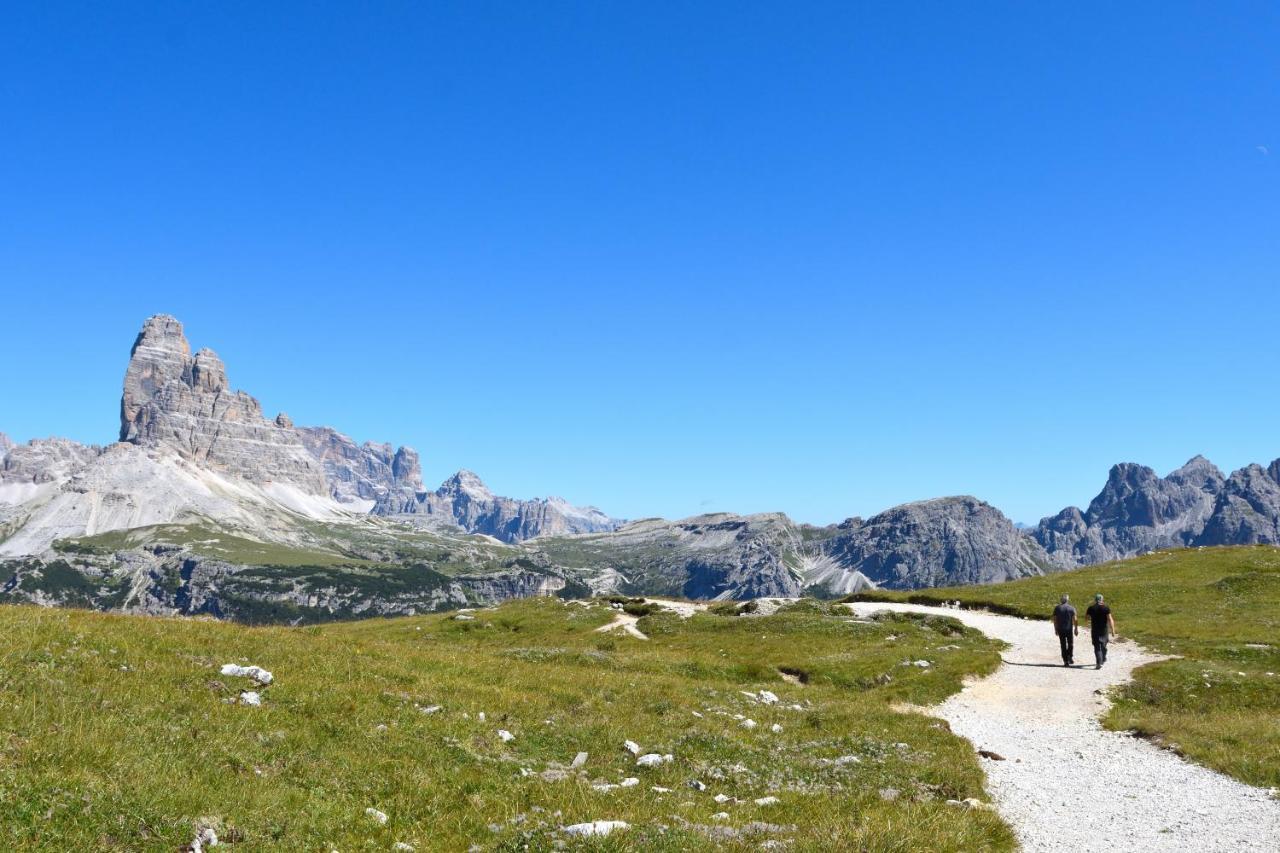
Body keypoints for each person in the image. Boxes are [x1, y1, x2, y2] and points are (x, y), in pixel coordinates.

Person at [1085, 593, 1116, 669]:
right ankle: (1102, 659)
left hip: (1095, 629)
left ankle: (1099, 662)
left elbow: (1086, 618)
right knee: (1103, 645)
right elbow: (1110, 619)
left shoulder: (1091, 608)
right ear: (1102, 599)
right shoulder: (1106, 608)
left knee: (1097, 646)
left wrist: (1088, 622)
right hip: (1104, 630)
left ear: (1095, 600)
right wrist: (1113, 630)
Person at [1052, 594, 1078, 666]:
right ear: (1067, 600)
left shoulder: (1057, 608)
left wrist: (1055, 629)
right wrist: (1076, 629)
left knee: (1063, 645)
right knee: (1070, 644)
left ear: (1061, 600)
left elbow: (1055, 620)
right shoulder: (1072, 608)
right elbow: (1075, 620)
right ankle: (1070, 656)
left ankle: (1065, 661)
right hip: (1069, 629)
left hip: (1060, 629)